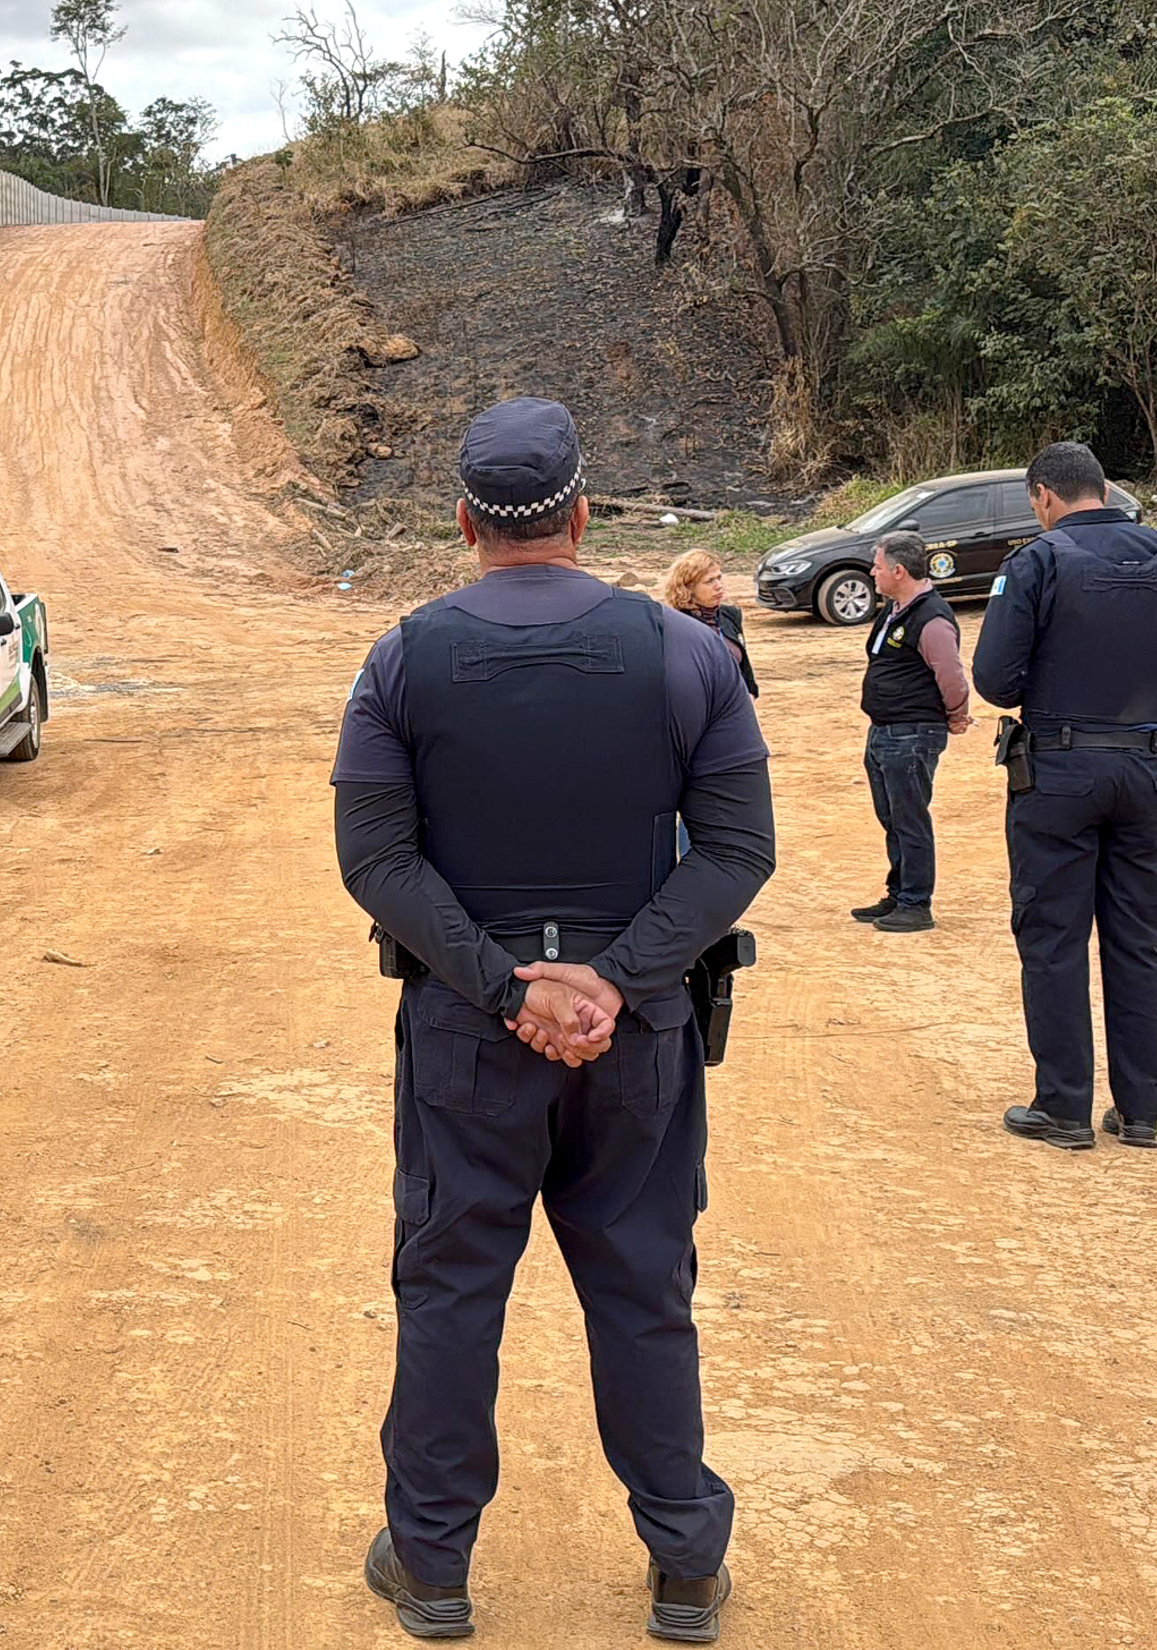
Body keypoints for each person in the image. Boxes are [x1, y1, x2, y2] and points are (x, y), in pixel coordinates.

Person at [332, 397, 775, 1643]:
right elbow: (740, 849)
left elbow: (374, 858)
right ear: (584, 514)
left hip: (469, 1039)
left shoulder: (403, 658)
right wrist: (616, 981)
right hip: (634, 1040)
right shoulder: (689, 655)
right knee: (643, 1286)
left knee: (452, 1289)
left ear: (464, 521)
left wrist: (503, 981)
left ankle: (431, 1566)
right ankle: (684, 1562)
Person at [972, 441, 1157, 1152]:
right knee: (1138, 940)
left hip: (1057, 771)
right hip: (1145, 767)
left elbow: (994, 678)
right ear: (1105, 490)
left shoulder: (1036, 561)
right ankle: (1139, 1111)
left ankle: (1061, 1106)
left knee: (1052, 937)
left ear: (1043, 496)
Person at [853, 531, 971, 933]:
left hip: (911, 734)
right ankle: (898, 893)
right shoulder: (896, 609)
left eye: (878, 566)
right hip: (886, 731)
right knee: (892, 817)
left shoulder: (931, 618)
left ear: (899, 571)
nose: (873, 572)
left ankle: (916, 903)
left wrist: (956, 714)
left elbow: (951, 675)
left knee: (910, 819)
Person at [662, 549, 759, 697]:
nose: (719, 586)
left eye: (719, 578)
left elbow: (744, 667)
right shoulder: (676, 623)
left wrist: (750, 694)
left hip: (735, 706)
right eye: (709, 581)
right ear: (688, 588)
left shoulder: (730, 615)